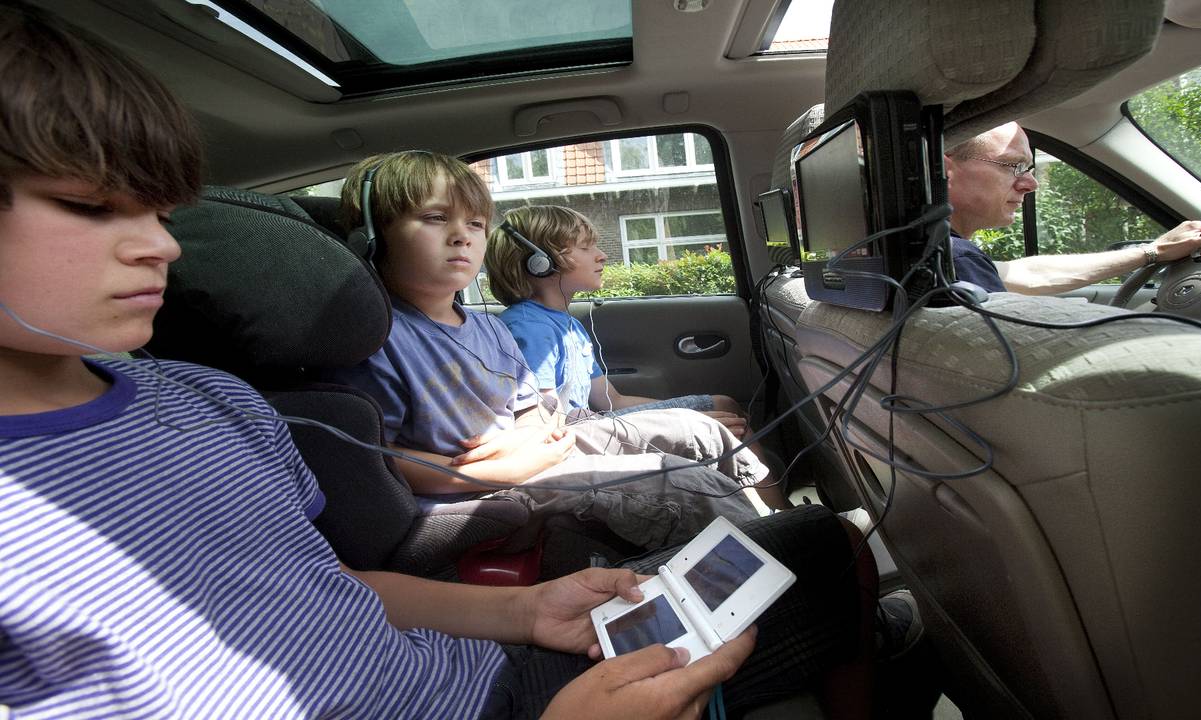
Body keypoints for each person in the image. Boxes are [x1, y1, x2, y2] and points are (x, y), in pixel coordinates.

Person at [0, 4, 885, 718]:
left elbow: (325, 585)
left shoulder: (207, 400)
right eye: (88, 206)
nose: (161, 246)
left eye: (160, 210)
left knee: (821, 544)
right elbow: (440, 469)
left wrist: (518, 612)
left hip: (462, 670)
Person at [324, 151, 786, 529]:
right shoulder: (374, 340)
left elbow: (531, 409)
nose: (461, 237)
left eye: (476, 224)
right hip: (479, 490)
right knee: (685, 485)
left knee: (703, 428)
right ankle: (780, 550)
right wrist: (492, 470)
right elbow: (371, 457)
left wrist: (527, 441)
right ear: (369, 237)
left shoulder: (489, 329)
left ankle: (779, 525)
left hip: (537, 453)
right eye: (435, 217)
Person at [485, 205, 746, 431]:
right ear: (539, 262)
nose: (601, 255)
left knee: (726, 406)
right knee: (724, 424)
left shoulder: (568, 325)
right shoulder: (530, 329)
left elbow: (611, 400)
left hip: (594, 421)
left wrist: (679, 413)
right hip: (576, 433)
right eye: (586, 247)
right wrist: (685, 423)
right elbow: (545, 420)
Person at [945, 121, 1201, 294]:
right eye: (1015, 165)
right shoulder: (959, 259)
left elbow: (1030, 274)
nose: (1031, 184)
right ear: (946, 171)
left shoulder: (936, 260)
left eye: (1030, 168)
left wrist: (1154, 252)